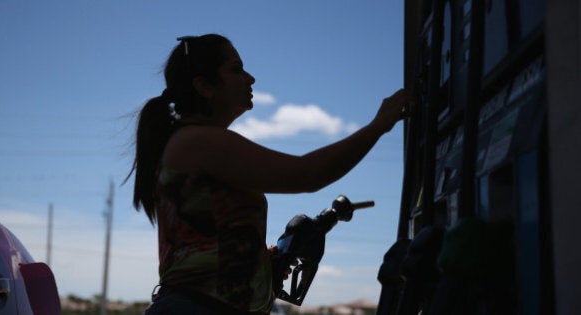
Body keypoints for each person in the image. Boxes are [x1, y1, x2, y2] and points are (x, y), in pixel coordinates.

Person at [128, 34, 412, 314]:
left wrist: (263, 265)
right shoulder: (198, 141)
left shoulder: (196, 142)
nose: (250, 78)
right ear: (204, 86)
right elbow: (307, 174)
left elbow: (212, 245)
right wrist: (379, 125)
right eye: (236, 69)